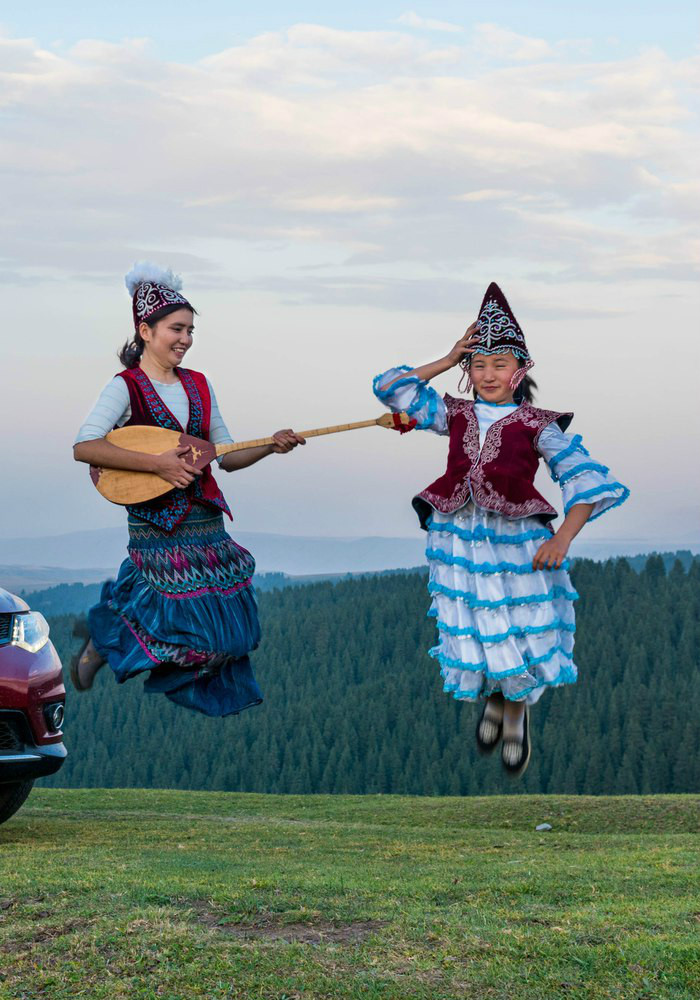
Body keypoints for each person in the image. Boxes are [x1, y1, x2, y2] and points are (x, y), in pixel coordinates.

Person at [373, 282, 629, 776]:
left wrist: (563, 538)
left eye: (500, 364)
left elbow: (587, 481)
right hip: (457, 537)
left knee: (518, 622)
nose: (488, 374)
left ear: (520, 370)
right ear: (469, 369)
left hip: (515, 540)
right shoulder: (454, 413)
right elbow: (392, 386)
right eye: (479, 364)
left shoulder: (538, 424)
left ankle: (515, 714)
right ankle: (496, 698)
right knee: (474, 620)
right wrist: (447, 358)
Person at [72, 262, 305, 716]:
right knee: (189, 636)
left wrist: (268, 447)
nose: (185, 339)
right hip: (157, 526)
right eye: (176, 328)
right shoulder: (125, 388)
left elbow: (225, 455)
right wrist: (157, 464)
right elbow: (85, 446)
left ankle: (107, 638)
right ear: (145, 330)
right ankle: (106, 642)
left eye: (190, 330)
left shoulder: (199, 384)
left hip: (206, 523)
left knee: (232, 638)